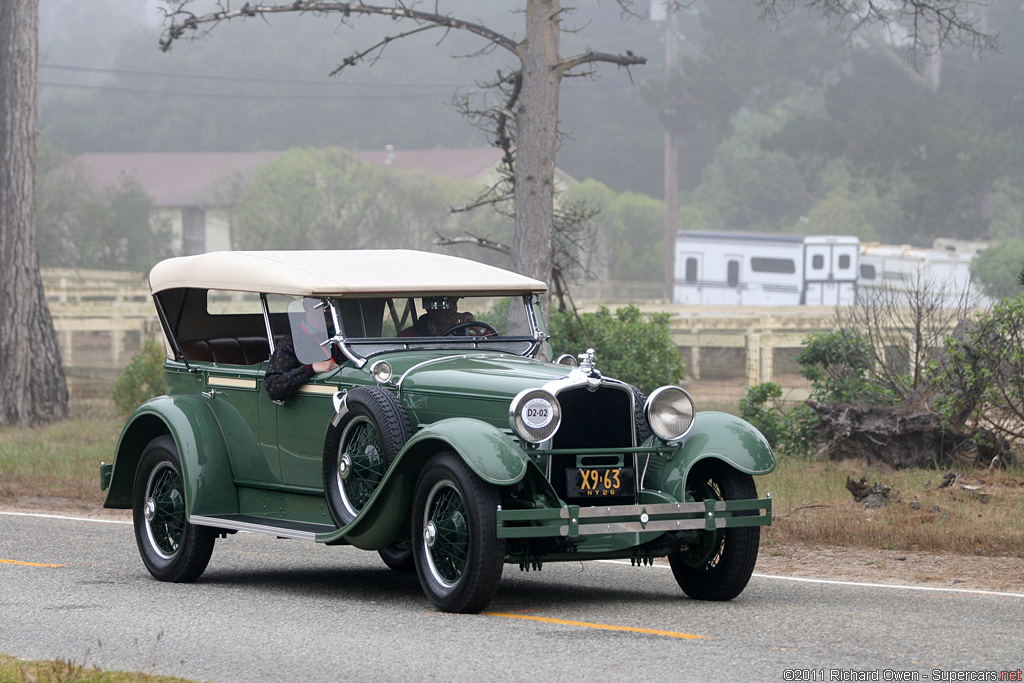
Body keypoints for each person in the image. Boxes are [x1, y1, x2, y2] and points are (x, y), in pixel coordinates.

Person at [265, 298, 339, 402]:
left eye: (332, 305)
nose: (327, 311)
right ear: (307, 306)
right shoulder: (292, 342)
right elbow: (273, 386)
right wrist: (312, 368)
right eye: (322, 304)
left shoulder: (340, 340)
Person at [398, 296, 489, 337]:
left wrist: (477, 327)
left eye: (454, 304)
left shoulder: (463, 334)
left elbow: (494, 345)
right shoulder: (411, 336)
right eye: (446, 305)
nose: (453, 309)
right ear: (431, 309)